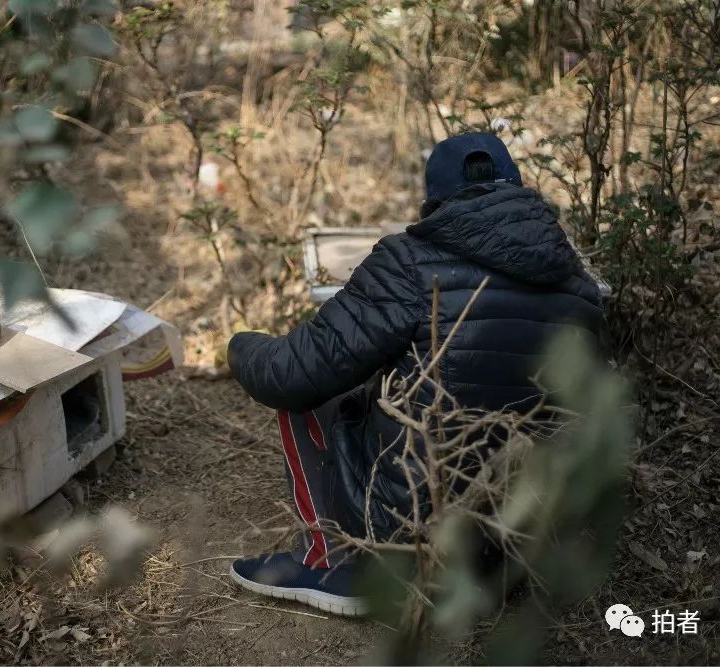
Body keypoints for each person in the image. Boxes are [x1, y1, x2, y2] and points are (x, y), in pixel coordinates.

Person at [225, 132, 604, 616]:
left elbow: (291, 373)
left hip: (409, 533)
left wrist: (240, 345)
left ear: (434, 202)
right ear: (518, 191)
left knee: (315, 386)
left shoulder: (408, 262)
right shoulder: (579, 280)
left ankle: (336, 565)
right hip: (520, 538)